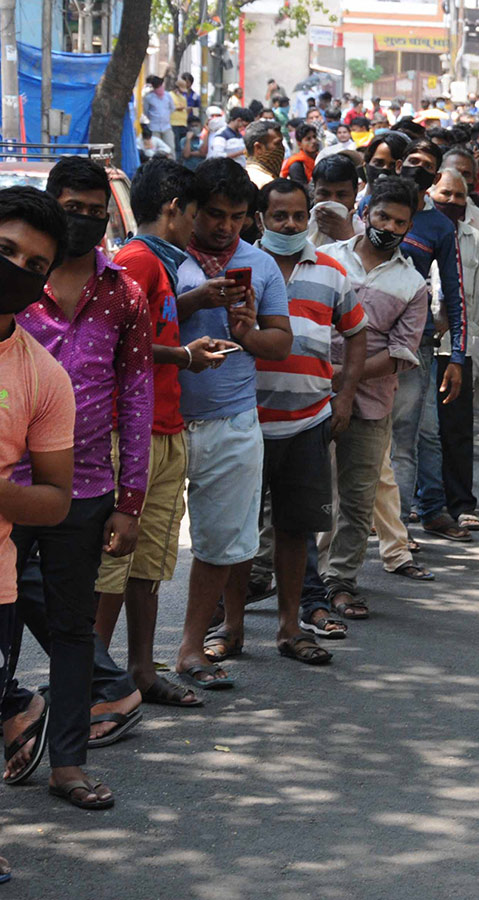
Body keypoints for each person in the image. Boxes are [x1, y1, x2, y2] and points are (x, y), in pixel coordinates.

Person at [6, 159, 154, 811]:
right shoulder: (16, 287)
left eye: (97, 211)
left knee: (72, 630)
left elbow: (138, 397)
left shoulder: (123, 293)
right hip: (11, 498)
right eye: (74, 206)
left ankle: (68, 762)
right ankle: (18, 716)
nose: (85, 219)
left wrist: (131, 501)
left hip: (86, 491)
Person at [93, 159, 235, 711]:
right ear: (175, 210)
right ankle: (95, 680)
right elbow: (109, 348)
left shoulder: (162, 264)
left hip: (165, 426)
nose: (202, 225)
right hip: (134, 434)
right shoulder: (137, 260)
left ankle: (137, 671)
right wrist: (184, 355)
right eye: (197, 213)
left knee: (148, 565)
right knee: (114, 563)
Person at [172, 158, 293, 688]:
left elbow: (281, 343)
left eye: (238, 217)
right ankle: (116, 660)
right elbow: (129, 332)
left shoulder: (260, 265)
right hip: (161, 422)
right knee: (138, 546)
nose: (225, 227)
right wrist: (194, 300)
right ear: (190, 210)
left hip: (232, 419)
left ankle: (191, 648)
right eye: (215, 215)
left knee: (221, 542)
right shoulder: (164, 257)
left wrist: (245, 332)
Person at [251, 178, 366, 656]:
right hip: (245, 423)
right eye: (280, 216)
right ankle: (227, 626)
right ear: (261, 220)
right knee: (238, 532)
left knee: (297, 530)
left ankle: (290, 628)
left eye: (298, 216)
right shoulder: (243, 268)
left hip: (309, 421)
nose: (290, 224)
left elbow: (357, 334)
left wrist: (344, 397)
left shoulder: (331, 271)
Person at [0, 186, 76, 871]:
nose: (15, 268)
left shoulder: (43, 377)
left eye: (32, 263)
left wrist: (1, 495)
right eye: (4, 250)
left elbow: (54, 499)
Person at [325, 179, 432, 586]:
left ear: (409, 228)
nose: (387, 226)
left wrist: (344, 377)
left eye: (399, 222)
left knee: (356, 501)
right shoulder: (325, 259)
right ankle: (307, 586)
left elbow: (401, 354)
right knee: (312, 498)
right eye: (382, 216)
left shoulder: (412, 285)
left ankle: (339, 583)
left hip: (370, 406)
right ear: (365, 212)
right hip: (306, 397)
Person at [393, 140, 469, 544]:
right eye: (411, 161)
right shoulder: (372, 208)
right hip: (362, 340)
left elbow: (455, 297)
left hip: (415, 345)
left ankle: (412, 523)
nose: (417, 169)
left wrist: (456, 355)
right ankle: (382, 523)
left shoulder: (439, 226)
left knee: (417, 435)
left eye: (426, 165)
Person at [429, 169, 479, 531]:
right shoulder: (415, 232)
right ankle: (422, 502)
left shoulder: (474, 240)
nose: (451, 201)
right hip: (417, 348)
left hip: (457, 349)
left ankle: (461, 503)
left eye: (459, 196)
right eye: (445, 194)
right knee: (417, 432)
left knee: (456, 430)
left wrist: (466, 345)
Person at [309, 154, 363, 246]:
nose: (333, 201)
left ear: (355, 193)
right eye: (324, 194)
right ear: (314, 192)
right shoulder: (299, 228)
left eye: (341, 195)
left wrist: (347, 238)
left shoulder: (364, 234)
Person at [243, 119, 285, 189]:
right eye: (277, 143)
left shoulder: (243, 176)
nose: (282, 148)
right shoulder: (267, 183)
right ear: (258, 148)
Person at [143, 76, 176, 155]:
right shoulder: (148, 98)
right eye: (157, 87)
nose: (159, 88)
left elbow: (172, 108)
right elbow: (146, 111)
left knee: (170, 147)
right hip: (154, 127)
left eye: (160, 86)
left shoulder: (168, 96)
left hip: (166, 126)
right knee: (155, 149)